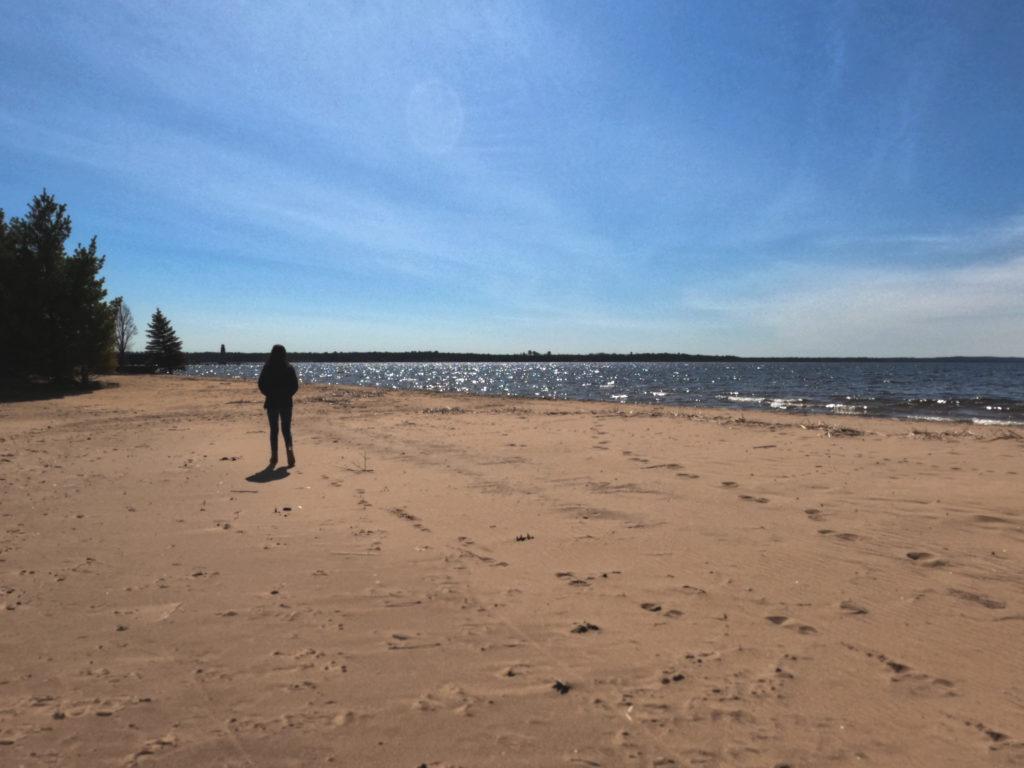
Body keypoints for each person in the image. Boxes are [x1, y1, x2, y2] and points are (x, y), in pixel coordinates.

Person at [257, 344, 299, 467]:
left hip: (272, 402)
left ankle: (274, 455)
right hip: (286, 402)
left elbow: (261, 384)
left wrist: (269, 394)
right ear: (284, 354)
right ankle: (289, 450)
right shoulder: (289, 368)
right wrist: (288, 395)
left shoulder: (267, 367)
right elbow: (295, 386)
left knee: (274, 430)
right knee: (286, 429)